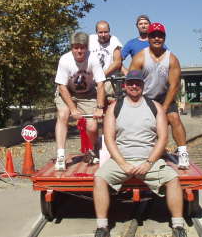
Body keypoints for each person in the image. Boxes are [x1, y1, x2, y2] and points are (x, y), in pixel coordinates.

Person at [93, 70, 187, 237]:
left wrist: (149, 163)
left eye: (138, 83)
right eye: (131, 83)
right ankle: (102, 227)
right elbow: (109, 139)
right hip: (121, 160)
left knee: (173, 179)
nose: (134, 86)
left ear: (143, 86)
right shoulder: (115, 107)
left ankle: (178, 225)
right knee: (99, 178)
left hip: (149, 160)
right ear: (125, 86)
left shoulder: (155, 107)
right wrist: (122, 164)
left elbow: (163, 138)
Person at [129, 22, 189, 169]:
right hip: (144, 98)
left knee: (174, 117)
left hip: (164, 97)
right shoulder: (139, 58)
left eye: (160, 36)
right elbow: (131, 83)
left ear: (164, 38)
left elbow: (174, 86)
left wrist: (164, 107)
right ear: (148, 37)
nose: (157, 38)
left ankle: (183, 153)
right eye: (153, 35)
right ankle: (137, 153)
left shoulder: (172, 59)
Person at [54, 32, 106, 171]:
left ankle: (94, 150)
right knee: (63, 115)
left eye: (82, 47)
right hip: (67, 92)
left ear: (87, 47)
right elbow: (62, 86)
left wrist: (99, 107)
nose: (79, 51)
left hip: (87, 94)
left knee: (92, 126)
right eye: (76, 47)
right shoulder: (65, 60)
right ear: (72, 47)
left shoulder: (93, 59)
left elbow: (101, 84)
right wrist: (72, 109)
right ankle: (60, 156)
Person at [88, 21, 123, 97]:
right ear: (96, 32)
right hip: (91, 81)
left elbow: (117, 62)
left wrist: (100, 76)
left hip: (108, 80)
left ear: (109, 31)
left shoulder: (114, 40)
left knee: (109, 102)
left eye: (106, 32)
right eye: (100, 32)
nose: (103, 35)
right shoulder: (90, 39)